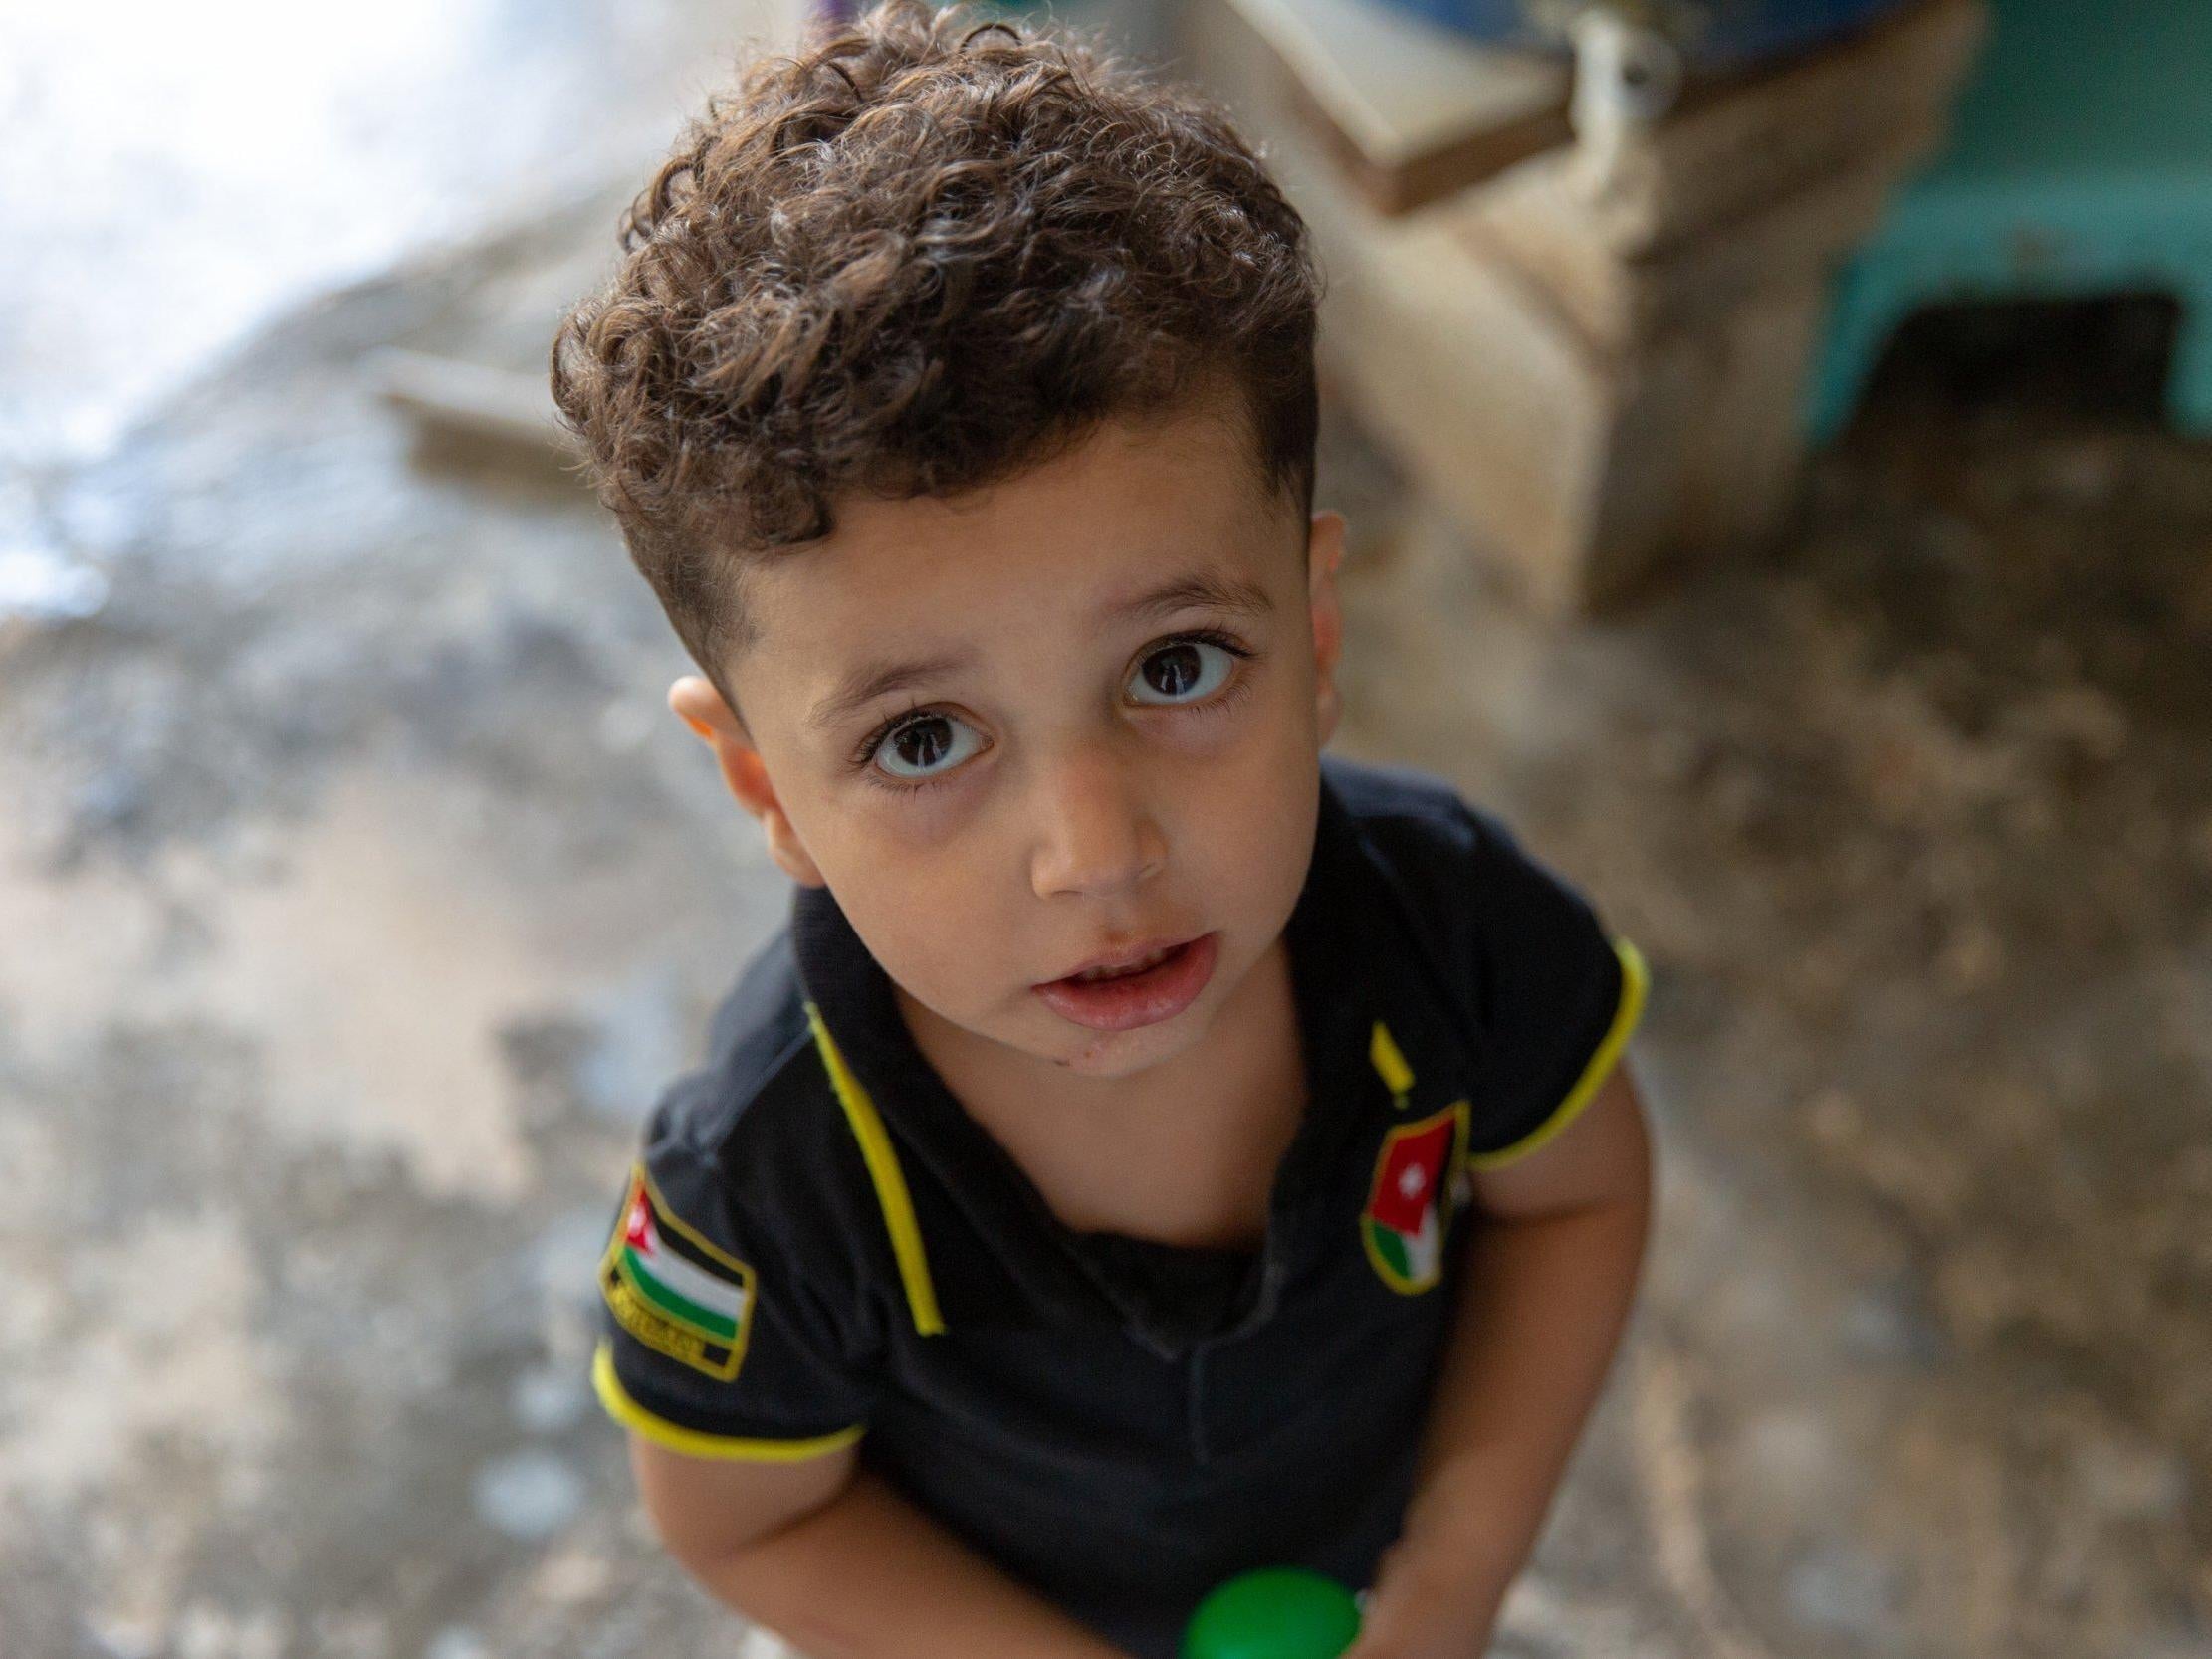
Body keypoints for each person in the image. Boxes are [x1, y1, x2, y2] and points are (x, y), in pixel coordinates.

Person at [548, 3, 1655, 1654]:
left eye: (1175, 664)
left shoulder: (1457, 930)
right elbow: (745, 1515)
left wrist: (1451, 1577)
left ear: (1318, 636)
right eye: (924, 739)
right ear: (768, 791)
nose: (1098, 852)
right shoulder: (768, 1180)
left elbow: (1574, 1198)